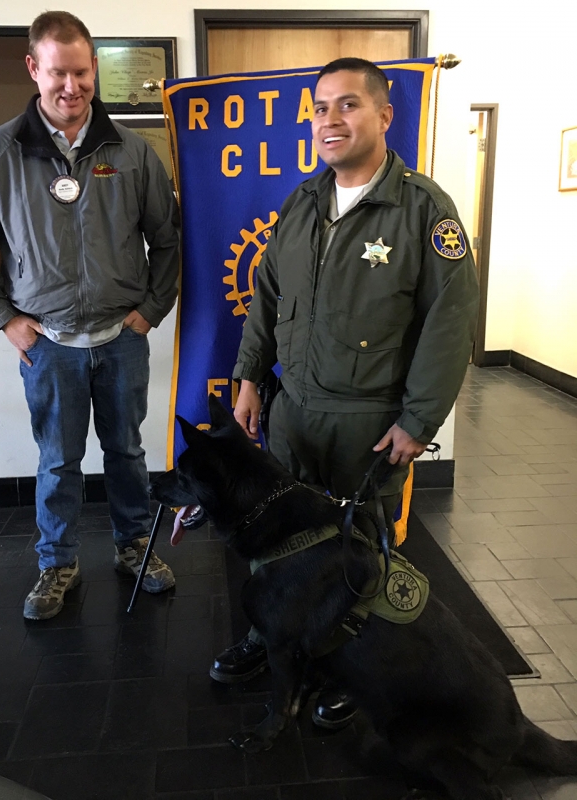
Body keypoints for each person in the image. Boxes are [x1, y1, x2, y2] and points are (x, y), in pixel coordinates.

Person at [210, 58, 479, 728]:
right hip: (293, 412)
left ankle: (358, 665)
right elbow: (266, 299)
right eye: (321, 107)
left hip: (367, 422)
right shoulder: (303, 203)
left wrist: (418, 421)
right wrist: (248, 377)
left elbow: (450, 325)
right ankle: (268, 635)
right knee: (277, 539)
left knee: (362, 547)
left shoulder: (423, 210)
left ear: (385, 116)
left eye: (349, 105)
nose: (331, 121)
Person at [0, 11, 180, 621]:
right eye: (58, 73)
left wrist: (151, 309)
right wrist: (1, 318)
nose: (70, 87)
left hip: (120, 338)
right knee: (56, 458)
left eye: (81, 72)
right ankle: (57, 564)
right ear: (33, 68)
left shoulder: (131, 153)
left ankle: (135, 546)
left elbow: (169, 235)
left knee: (127, 451)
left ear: (94, 69)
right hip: (47, 342)